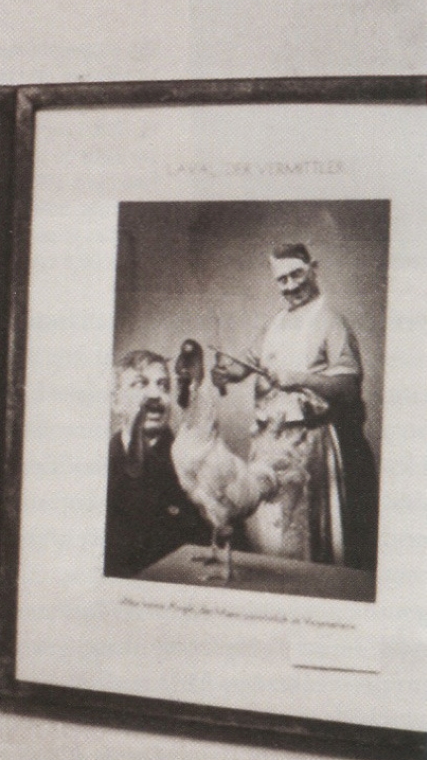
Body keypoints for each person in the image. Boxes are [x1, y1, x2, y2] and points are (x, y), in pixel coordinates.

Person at [210, 243, 378, 570]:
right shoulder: (275, 322)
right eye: (281, 280)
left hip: (309, 448)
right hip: (267, 443)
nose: (289, 286)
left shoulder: (331, 322)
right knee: (265, 535)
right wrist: (227, 373)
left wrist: (299, 378)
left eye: (296, 274)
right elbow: (248, 361)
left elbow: (348, 387)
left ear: (314, 268)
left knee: (304, 545)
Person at [104, 349, 211, 577]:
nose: (155, 395)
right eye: (140, 384)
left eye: (163, 386)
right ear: (116, 402)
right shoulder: (96, 469)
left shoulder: (198, 465)